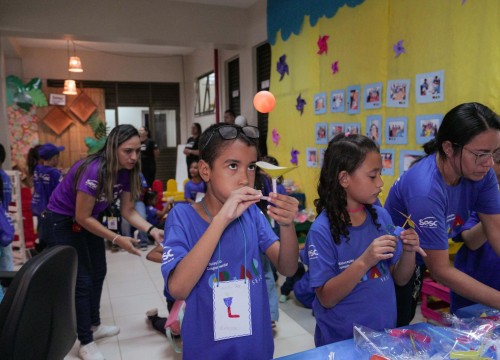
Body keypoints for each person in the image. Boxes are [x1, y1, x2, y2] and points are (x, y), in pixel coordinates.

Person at [161, 123, 299, 359]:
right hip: (207, 350)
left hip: (256, 347)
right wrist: (223, 217)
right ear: (205, 171)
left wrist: (287, 226)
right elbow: (177, 288)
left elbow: (287, 267)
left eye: (252, 167)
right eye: (233, 166)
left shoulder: (253, 214)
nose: (245, 178)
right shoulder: (181, 217)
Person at [39, 125, 164, 360]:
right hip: (62, 221)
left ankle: (94, 325)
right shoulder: (94, 170)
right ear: (112, 148)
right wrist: (117, 238)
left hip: (87, 220)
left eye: (137, 151)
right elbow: (81, 216)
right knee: (83, 280)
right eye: (128, 151)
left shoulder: (128, 171)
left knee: (99, 271)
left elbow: (128, 211)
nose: (134, 157)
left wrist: (153, 229)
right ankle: (85, 341)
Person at [384, 102, 500, 326]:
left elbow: (496, 232)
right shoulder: (425, 189)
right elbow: (440, 270)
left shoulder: (482, 175)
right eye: (481, 154)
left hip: (416, 257)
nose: (489, 163)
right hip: (390, 261)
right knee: (392, 324)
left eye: (495, 153)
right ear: (448, 148)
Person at [305, 133, 421, 345]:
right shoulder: (321, 231)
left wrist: (409, 251)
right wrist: (365, 260)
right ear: (344, 179)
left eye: (380, 174)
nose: (381, 183)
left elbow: (400, 278)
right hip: (341, 342)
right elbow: (326, 298)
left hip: (383, 335)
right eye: (372, 176)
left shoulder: (381, 216)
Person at [30, 143, 65, 248]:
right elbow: (62, 192)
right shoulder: (55, 173)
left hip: (38, 209)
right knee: (54, 242)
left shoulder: (37, 168)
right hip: (51, 211)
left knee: (43, 237)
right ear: (54, 158)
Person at [145, 244, 175, 335]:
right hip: (177, 299)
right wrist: (179, 262)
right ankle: (154, 318)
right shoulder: (178, 235)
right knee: (175, 331)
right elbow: (151, 254)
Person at [0, 144, 13, 276]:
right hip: (5, 222)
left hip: (2, 222)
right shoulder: (5, 176)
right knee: (6, 259)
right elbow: (8, 199)